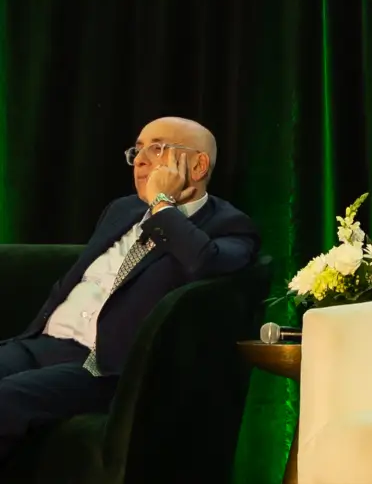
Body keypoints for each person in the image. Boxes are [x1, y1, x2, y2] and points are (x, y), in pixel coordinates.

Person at [0, 116, 260, 463]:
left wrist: (162, 206)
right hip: (42, 344)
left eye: (157, 148)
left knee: (5, 399)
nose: (140, 160)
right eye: (137, 150)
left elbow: (204, 262)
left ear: (198, 165)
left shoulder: (229, 226)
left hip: (102, 367)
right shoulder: (122, 210)